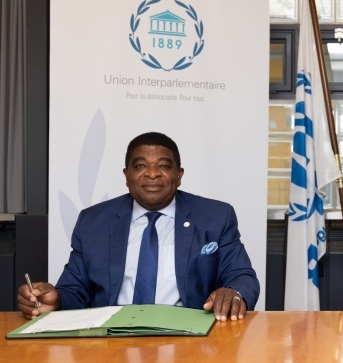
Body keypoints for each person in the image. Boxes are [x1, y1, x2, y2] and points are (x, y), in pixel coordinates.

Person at [18, 132, 260, 321]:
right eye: (141, 166)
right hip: (111, 335)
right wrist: (55, 300)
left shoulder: (215, 217)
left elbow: (241, 275)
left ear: (179, 174)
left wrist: (234, 293)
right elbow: (75, 289)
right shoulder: (93, 222)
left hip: (189, 335)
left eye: (164, 166)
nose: (152, 174)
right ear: (126, 175)